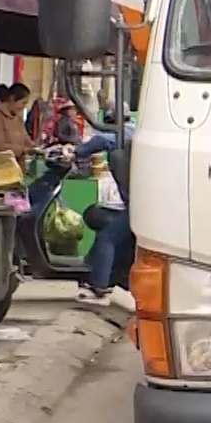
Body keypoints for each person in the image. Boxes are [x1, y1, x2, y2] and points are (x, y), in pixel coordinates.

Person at [74, 120, 132, 304]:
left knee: (107, 238)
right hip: (137, 205)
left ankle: (99, 287)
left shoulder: (127, 133)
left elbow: (103, 140)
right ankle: (97, 273)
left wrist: (76, 151)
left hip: (140, 207)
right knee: (97, 216)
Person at [0, 83, 34, 160]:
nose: (23, 107)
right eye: (23, 103)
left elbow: (25, 138)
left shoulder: (17, 117)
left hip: (15, 168)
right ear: (12, 98)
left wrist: (34, 147)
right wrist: (23, 150)